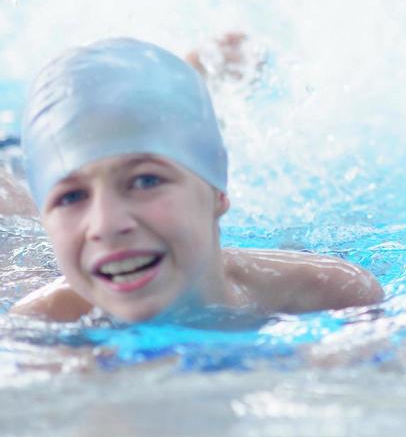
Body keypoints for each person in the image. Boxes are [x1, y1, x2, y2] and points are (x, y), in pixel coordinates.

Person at [10, 38, 382, 323]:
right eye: (71, 196)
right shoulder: (42, 327)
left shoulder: (330, 296)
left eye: (145, 181)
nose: (105, 225)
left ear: (218, 192)